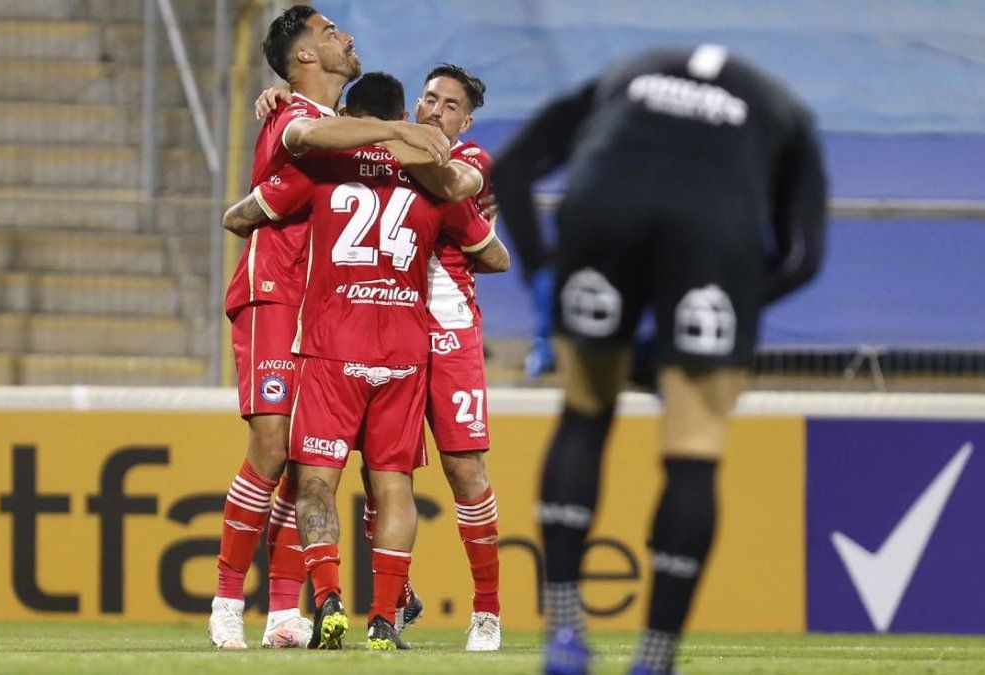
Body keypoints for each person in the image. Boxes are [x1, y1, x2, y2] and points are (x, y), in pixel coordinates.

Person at [490, 44, 827, 675]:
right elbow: (802, 256)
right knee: (693, 449)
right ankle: (654, 659)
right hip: (715, 232)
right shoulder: (788, 116)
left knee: (585, 415)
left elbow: (510, 172)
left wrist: (542, 274)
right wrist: (733, 305)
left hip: (603, 210)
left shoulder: (623, 76)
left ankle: (564, 635)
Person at [223, 72, 509, 651]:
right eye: (429, 99)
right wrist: (399, 146)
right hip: (403, 342)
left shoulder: (369, 163)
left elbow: (242, 214)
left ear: (466, 121)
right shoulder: (430, 182)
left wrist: (336, 134)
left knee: (439, 474)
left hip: (386, 337)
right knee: (390, 482)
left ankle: (344, 600)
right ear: (412, 105)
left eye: (450, 106)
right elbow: (494, 253)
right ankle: (382, 608)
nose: (436, 112)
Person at [211, 5, 450, 651]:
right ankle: (228, 597)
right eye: (327, 32)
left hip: (322, 307)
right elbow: (306, 143)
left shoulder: (337, 123)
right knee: (271, 446)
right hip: (273, 292)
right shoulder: (297, 116)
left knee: (303, 459)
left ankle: (285, 610)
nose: (345, 35)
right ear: (304, 59)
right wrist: (397, 128)